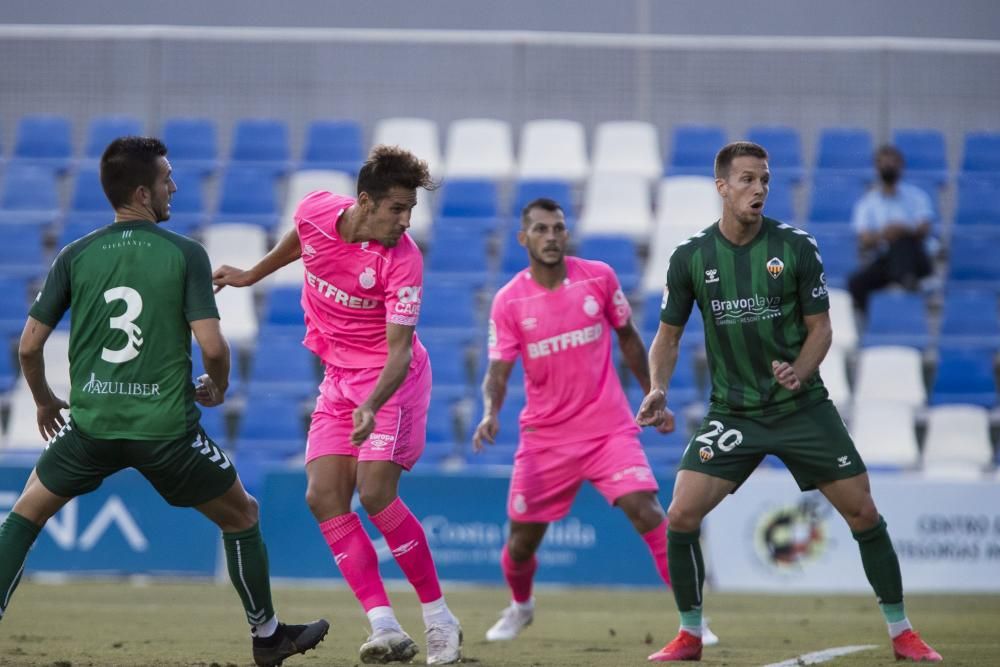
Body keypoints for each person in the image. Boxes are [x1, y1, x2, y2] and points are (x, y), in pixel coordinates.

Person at [0, 137, 329, 667]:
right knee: (243, 516)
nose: (173, 185)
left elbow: (29, 345)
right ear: (142, 192)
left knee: (23, 517)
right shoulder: (184, 254)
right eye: (166, 179)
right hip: (167, 433)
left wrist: (42, 402)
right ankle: (267, 636)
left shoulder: (75, 254)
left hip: (90, 427)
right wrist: (218, 386)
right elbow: (215, 347)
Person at [635, 141, 942, 663]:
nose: (758, 189)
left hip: (801, 408)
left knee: (864, 512)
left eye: (765, 181)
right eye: (748, 180)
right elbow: (666, 337)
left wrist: (799, 372)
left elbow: (821, 329)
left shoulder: (796, 247)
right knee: (681, 513)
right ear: (722, 187)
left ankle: (902, 632)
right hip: (734, 412)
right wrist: (658, 387)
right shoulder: (691, 257)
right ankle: (689, 634)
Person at [212, 145, 462, 666]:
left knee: (374, 494)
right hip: (339, 379)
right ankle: (384, 626)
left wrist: (372, 404)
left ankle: (440, 619)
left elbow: (399, 351)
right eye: (397, 208)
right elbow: (301, 239)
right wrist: (252, 275)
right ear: (365, 202)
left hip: (392, 383)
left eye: (411, 210)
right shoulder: (316, 212)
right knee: (324, 496)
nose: (405, 221)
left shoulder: (403, 260)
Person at [472, 198, 717, 648]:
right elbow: (498, 372)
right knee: (521, 544)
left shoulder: (599, 277)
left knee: (648, 511)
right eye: (541, 230)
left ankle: (692, 617)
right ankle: (521, 606)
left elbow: (628, 338)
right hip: (545, 439)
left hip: (607, 429)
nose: (551, 237)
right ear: (523, 238)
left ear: (567, 234)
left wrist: (652, 395)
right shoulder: (509, 300)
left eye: (558, 229)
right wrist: (490, 412)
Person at [847, 144, 935, 314]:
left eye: (892, 163)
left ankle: (906, 283)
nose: (888, 167)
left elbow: (924, 228)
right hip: (885, 259)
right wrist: (885, 234)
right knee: (856, 283)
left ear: (901, 165)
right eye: (884, 163)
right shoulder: (867, 203)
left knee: (902, 242)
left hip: (916, 257)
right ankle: (875, 320)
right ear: (876, 167)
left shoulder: (917, 197)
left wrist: (902, 230)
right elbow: (864, 239)